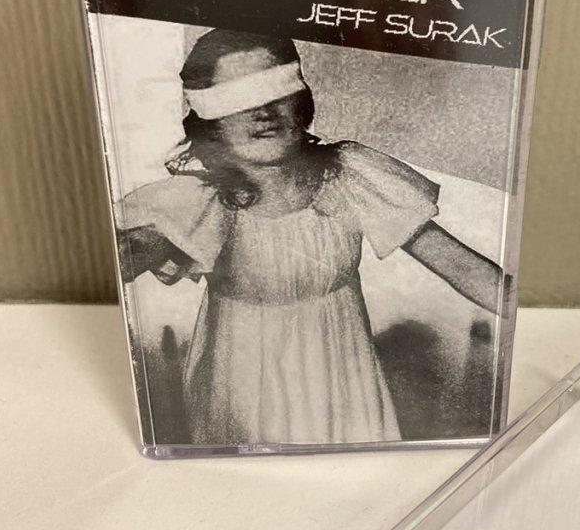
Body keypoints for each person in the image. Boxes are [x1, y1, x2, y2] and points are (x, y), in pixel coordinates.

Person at [115, 29, 502, 446]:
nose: (262, 112)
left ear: (300, 98)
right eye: (238, 99)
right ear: (209, 120)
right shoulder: (201, 200)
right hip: (243, 385)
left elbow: (463, 267)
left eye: (274, 91)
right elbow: (127, 255)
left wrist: (529, 311)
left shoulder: (350, 175)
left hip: (344, 379)